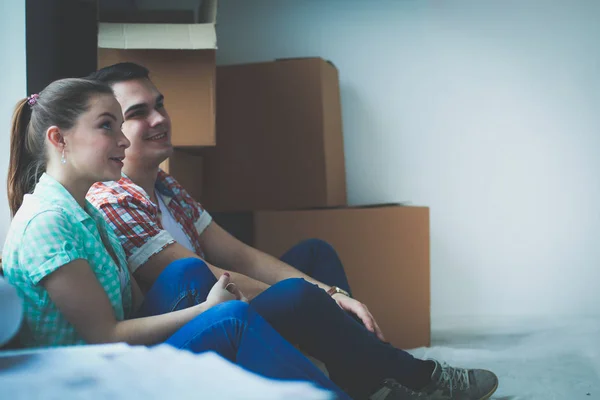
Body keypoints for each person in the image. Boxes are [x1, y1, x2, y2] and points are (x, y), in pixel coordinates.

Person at [84, 63, 499, 400]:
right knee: (302, 295)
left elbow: (239, 255)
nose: (160, 118)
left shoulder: (167, 187)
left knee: (314, 255)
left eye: (160, 105)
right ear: (111, 130)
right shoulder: (112, 198)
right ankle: (413, 375)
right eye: (138, 113)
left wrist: (335, 295)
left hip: (225, 299)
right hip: (193, 326)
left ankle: (363, 375)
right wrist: (321, 300)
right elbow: (208, 274)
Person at [0, 78, 353, 399]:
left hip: (118, 352)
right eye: (107, 126)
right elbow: (105, 336)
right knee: (231, 318)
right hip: (86, 374)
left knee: (188, 274)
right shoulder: (47, 223)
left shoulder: (87, 213)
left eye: (121, 127)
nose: (123, 140)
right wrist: (206, 311)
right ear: (58, 138)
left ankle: (338, 369)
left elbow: (136, 305)